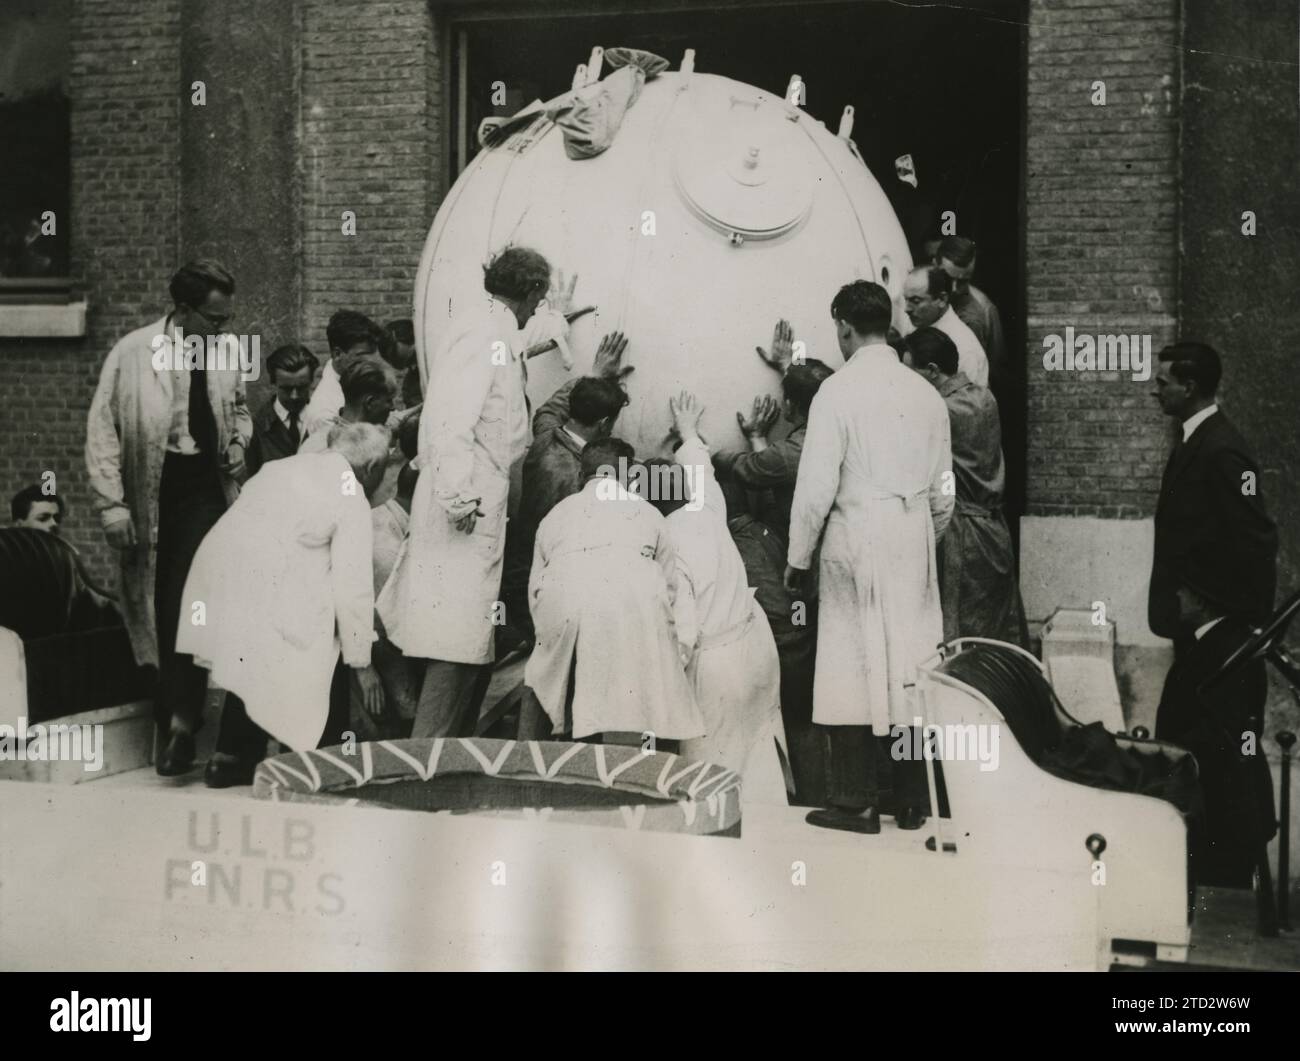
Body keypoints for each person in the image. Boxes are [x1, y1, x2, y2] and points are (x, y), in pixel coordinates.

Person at [378, 246, 577, 738]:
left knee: (472, 639)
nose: (537, 307)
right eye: (539, 298)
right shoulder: (480, 332)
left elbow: (518, 342)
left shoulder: (494, 327)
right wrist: (457, 497)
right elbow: (448, 423)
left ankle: (450, 758)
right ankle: (426, 760)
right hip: (461, 510)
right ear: (529, 290)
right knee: (456, 640)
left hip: (478, 504)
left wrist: (555, 317)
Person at [789, 280, 953, 834]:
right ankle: (911, 801)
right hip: (912, 536)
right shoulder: (927, 395)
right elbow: (945, 491)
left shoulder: (836, 393)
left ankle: (853, 801)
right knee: (909, 666)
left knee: (848, 666)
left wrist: (799, 557)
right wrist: (922, 535)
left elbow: (815, 488)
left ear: (842, 326)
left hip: (856, 535)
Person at [85, 259, 251, 776]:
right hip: (154, 491)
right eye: (214, 319)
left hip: (207, 491)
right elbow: (103, 430)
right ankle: (174, 721)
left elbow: (240, 408)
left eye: (226, 320)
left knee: (197, 601)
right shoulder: (133, 353)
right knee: (163, 604)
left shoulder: (226, 352)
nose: (223, 329)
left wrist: (241, 442)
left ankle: (184, 719)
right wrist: (112, 506)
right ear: (182, 310)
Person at [177, 422, 390, 785]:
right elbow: (353, 587)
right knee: (324, 649)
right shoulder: (350, 494)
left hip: (220, 575)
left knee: (251, 658)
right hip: (260, 580)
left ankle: (229, 757)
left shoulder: (283, 467)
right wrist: (362, 662)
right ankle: (316, 758)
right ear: (371, 468)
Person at [648, 392, 789, 803]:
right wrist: (688, 431)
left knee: (711, 774)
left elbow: (683, 637)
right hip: (756, 649)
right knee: (759, 757)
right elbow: (700, 469)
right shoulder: (707, 507)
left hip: (716, 670)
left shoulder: (667, 545)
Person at [521, 437, 703, 745]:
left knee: (555, 678)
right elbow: (671, 588)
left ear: (583, 472)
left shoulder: (555, 515)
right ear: (629, 473)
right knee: (639, 701)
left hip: (563, 613)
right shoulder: (648, 513)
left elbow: (535, 590)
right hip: (630, 616)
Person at [499, 332, 632, 647]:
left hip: (522, 571)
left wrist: (595, 377)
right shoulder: (575, 479)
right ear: (603, 425)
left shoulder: (547, 438)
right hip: (543, 587)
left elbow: (548, 411)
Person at [1154, 553, 1277, 887]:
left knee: (1218, 910)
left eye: (1184, 590)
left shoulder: (1226, 650)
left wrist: (1167, 756)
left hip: (1223, 811)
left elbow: (1229, 733)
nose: (1177, 596)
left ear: (1202, 599)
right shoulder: (1215, 643)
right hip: (1218, 805)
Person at [901, 327, 1026, 646]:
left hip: (965, 536)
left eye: (908, 372)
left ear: (932, 371)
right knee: (994, 626)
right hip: (993, 531)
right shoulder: (983, 395)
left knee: (964, 633)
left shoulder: (943, 410)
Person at [1149, 341, 1277, 651]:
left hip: (1219, 633)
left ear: (1189, 387)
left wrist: (1247, 627)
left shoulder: (1225, 451)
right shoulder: (1194, 439)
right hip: (1193, 626)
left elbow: (1256, 538)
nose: (1156, 391)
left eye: (1163, 383)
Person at [302, 309, 385, 439]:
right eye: (362, 355)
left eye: (372, 354)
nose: (371, 362)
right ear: (337, 354)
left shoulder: (357, 379)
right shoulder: (325, 412)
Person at [934, 236, 1005, 387]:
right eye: (947, 277)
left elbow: (993, 367)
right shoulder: (921, 295)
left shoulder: (985, 311)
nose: (954, 289)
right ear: (934, 264)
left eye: (963, 281)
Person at [902, 265, 988, 389]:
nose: (906, 309)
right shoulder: (916, 322)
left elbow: (965, 403)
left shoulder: (965, 349)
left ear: (942, 299)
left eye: (915, 301)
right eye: (906, 299)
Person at [245, 344, 318, 477]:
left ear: (311, 381)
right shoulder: (255, 429)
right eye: (286, 389)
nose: (294, 396)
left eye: (301, 387)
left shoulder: (324, 420)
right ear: (274, 383)